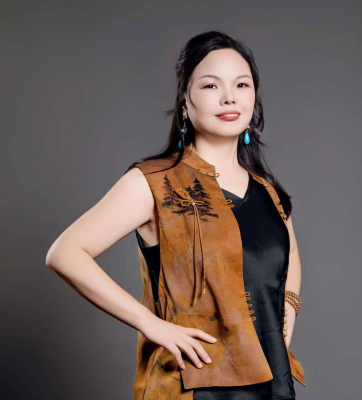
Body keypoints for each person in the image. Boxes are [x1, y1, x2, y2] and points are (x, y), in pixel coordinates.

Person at [46, 31, 304, 400]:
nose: (229, 96)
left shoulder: (267, 190)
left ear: (253, 98)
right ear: (185, 101)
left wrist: (288, 309)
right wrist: (151, 325)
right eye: (211, 85)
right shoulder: (155, 182)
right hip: (194, 388)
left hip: (273, 384)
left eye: (241, 84)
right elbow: (65, 253)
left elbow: (288, 253)